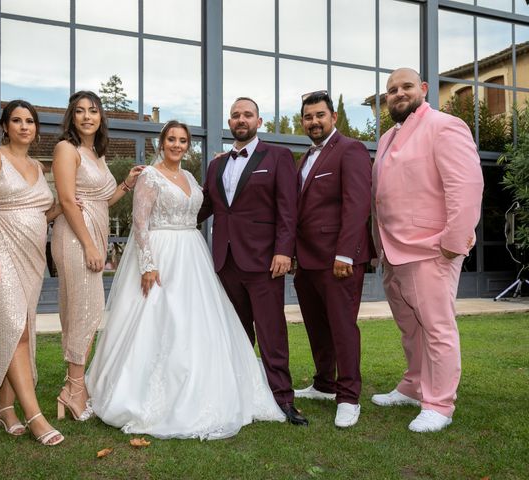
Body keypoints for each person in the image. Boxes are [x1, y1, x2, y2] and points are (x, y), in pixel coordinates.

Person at [86, 120, 285, 439]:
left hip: (193, 254)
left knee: (197, 321)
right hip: (162, 254)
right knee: (159, 319)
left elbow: (209, 203)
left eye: (182, 140)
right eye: (171, 140)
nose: (177, 145)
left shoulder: (191, 177)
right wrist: (148, 265)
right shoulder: (149, 176)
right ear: (161, 144)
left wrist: (222, 162)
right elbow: (139, 224)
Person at [371, 68, 484, 432]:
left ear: (423, 89)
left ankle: (439, 403)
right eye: (391, 90)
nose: (398, 93)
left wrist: (452, 244)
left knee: (437, 328)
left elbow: (465, 187)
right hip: (393, 251)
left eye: (405, 87)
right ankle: (413, 385)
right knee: (410, 328)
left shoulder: (445, 126)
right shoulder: (388, 136)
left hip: (431, 250)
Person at [198, 97, 305, 426]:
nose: (240, 119)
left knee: (271, 332)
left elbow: (288, 208)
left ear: (259, 121)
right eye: (235, 115)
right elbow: (203, 208)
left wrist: (284, 250)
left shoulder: (278, 157)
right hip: (225, 262)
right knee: (236, 332)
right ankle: (240, 394)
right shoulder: (217, 165)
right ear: (229, 123)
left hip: (264, 261)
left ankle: (283, 399)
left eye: (247, 114)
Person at [0, 99, 64, 446]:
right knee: (14, 327)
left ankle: (4, 410)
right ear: (5, 126)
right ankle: (35, 416)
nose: (24, 126)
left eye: (30, 121)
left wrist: (64, 207)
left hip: (31, 258)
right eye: (17, 120)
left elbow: (38, 212)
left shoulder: (38, 167)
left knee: (21, 329)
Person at [51, 91, 143, 421]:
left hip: (93, 232)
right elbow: (67, 199)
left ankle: (74, 386)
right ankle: (74, 390)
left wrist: (127, 184)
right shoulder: (66, 149)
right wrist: (90, 245)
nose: (87, 116)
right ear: (71, 117)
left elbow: (103, 199)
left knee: (86, 311)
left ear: (100, 117)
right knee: (84, 311)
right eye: (80, 111)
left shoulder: (95, 153)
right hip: (75, 236)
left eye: (93, 111)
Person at [293, 91, 372, 428]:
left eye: (320, 115)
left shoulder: (350, 150)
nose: (314, 121)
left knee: (342, 328)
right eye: (308, 117)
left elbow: (357, 205)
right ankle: (325, 384)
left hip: (338, 261)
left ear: (334, 117)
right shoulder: (304, 158)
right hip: (306, 261)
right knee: (317, 327)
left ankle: (349, 396)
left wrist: (345, 254)